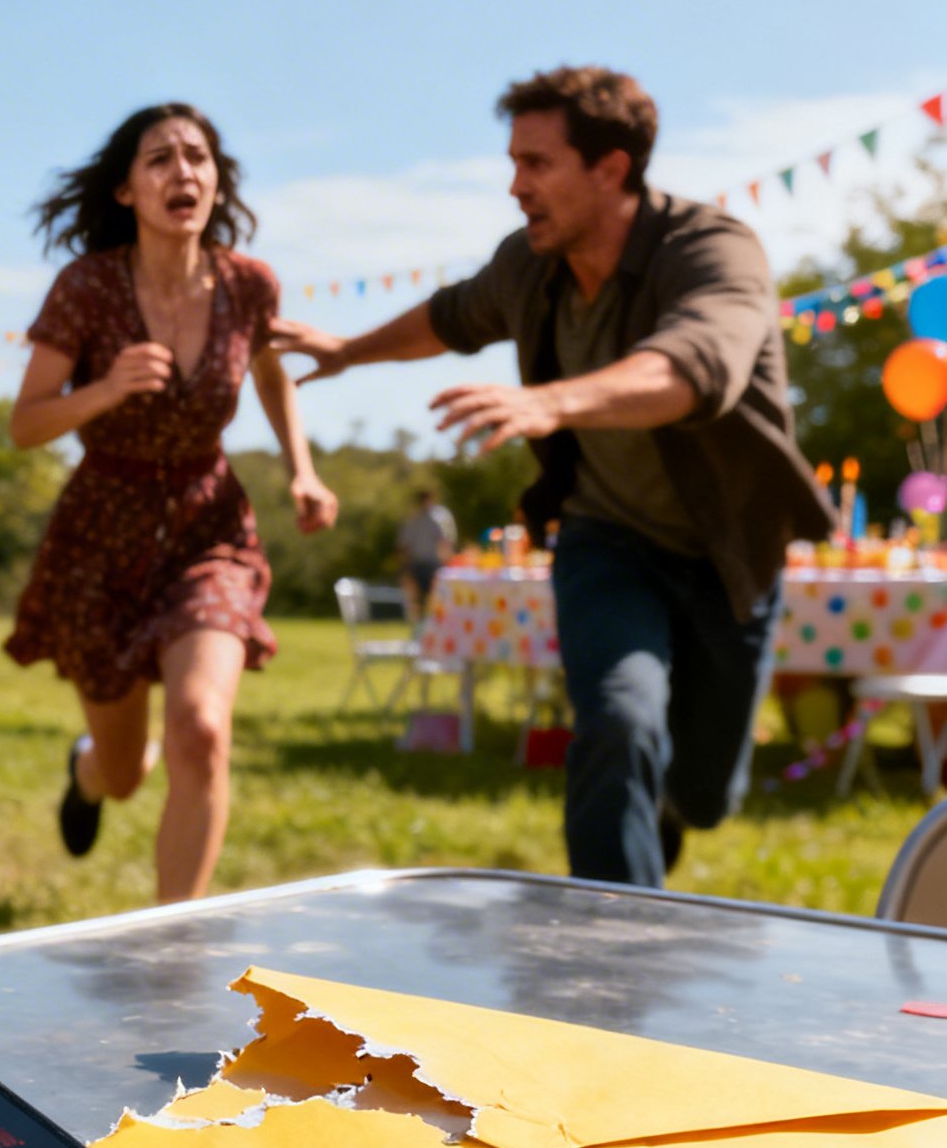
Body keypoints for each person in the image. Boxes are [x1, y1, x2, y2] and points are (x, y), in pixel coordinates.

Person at [272, 65, 832, 888]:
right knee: (616, 722)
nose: (514, 185)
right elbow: (452, 314)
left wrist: (550, 403)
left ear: (610, 170)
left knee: (706, 795)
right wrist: (348, 352)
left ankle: (670, 808)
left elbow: (694, 371)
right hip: (608, 542)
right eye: (512, 161)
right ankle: (614, 952)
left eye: (537, 164)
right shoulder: (531, 264)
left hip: (729, 550)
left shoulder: (712, 250)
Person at [5, 102, 337, 900]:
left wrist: (303, 468)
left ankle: (173, 951)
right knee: (123, 773)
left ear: (215, 181)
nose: (181, 172)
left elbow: (268, 374)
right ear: (125, 190)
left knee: (200, 725)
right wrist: (105, 390)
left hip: (205, 524)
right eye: (159, 159)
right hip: (102, 531)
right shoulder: (86, 288)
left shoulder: (247, 284)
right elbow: (25, 424)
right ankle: (89, 772)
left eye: (196, 157)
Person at [394, 485, 457, 617]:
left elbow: (445, 542)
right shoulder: (413, 519)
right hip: (417, 564)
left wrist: (447, 563)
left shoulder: (438, 518)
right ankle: (419, 627)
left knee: (434, 599)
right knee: (417, 601)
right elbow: (404, 546)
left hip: (435, 565)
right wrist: (405, 568)